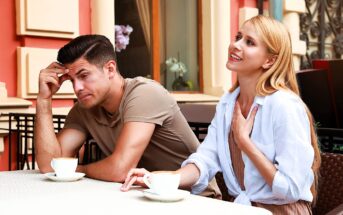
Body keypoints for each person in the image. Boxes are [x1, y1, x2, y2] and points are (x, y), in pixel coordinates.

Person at [121, 15, 321, 214]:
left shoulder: (284, 106)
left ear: (270, 61)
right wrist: (161, 180)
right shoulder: (228, 103)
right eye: (238, 36)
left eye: (249, 42)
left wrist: (245, 143)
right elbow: (206, 159)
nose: (236, 45)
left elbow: (291, 189)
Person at [34, 34, 220, 198]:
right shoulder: (84, 108)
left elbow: (120, 170)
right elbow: (49, 166)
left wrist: (76, 170)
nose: (77, 88)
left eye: (84, 76)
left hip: (193, 198)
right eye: (72, 80)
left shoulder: (144, 94)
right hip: (138, 196)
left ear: (110, 69)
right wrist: (44, 100)